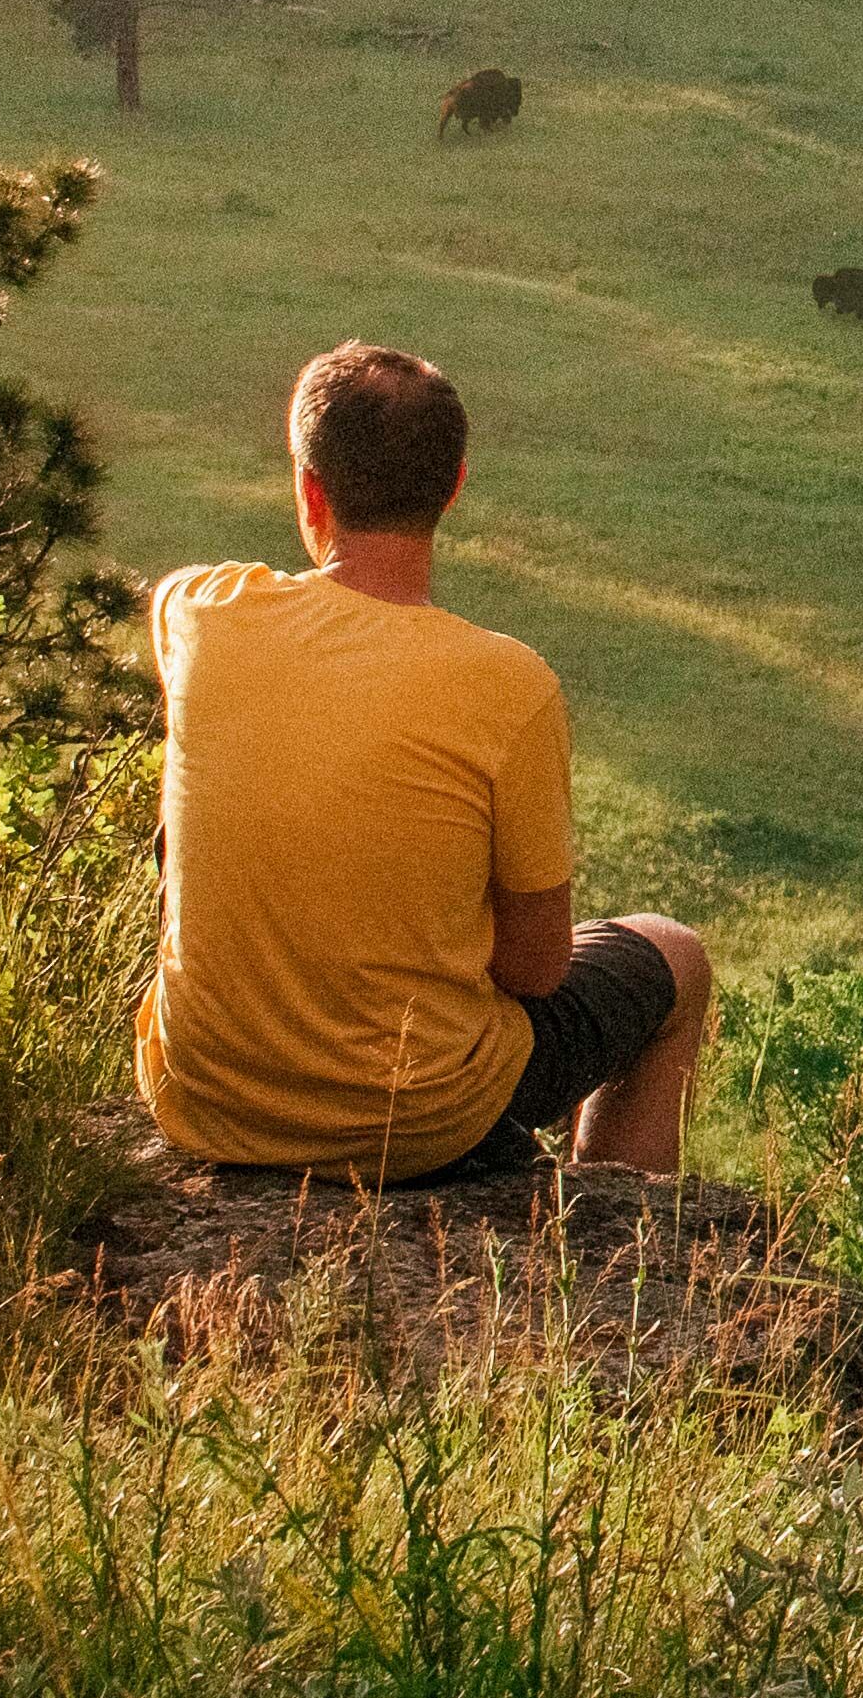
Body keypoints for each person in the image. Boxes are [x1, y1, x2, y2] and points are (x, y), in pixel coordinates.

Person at [132, 342, 713, 1183]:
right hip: (417, 1121)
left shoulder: (200, 613)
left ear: (309, 491)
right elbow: (537, 967)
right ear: (454, 487)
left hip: (201, 1094)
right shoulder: (511, 685)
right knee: (675, 957)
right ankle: (631, 1246)